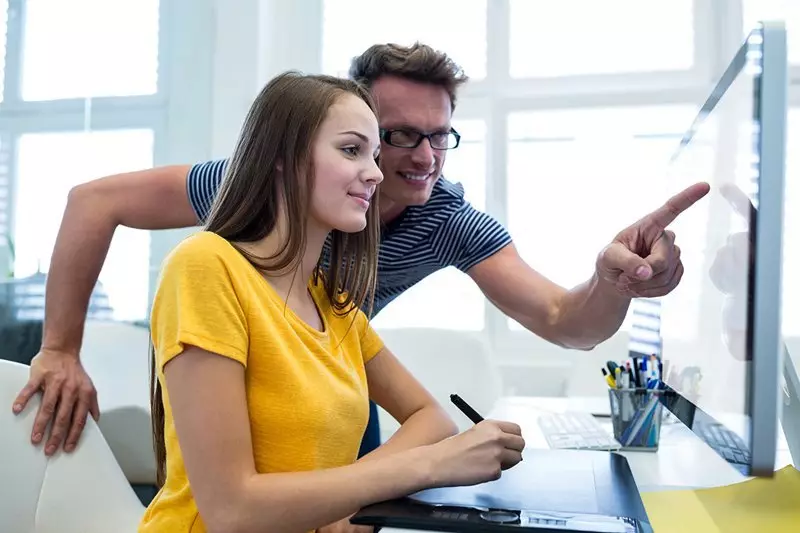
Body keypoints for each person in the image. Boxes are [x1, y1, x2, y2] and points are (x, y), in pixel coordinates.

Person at [11, 41, 709, 459]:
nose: (421, 157)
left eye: (440, 135)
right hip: (232, 379)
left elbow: (565, 319)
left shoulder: (444, 220)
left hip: (330, 369)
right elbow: (94, 200)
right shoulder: (267, 185)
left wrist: (614, 278)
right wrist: (61, 347)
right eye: (394, 135)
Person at [138, 70, 525, 533]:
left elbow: (432, 419)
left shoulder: (333, 302)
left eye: (375, 155)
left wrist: (342, 502)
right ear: (283, 158)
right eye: (351, 150)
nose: (376, 173)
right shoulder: (206, 265)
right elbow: (231, 510)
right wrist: (428, 467)